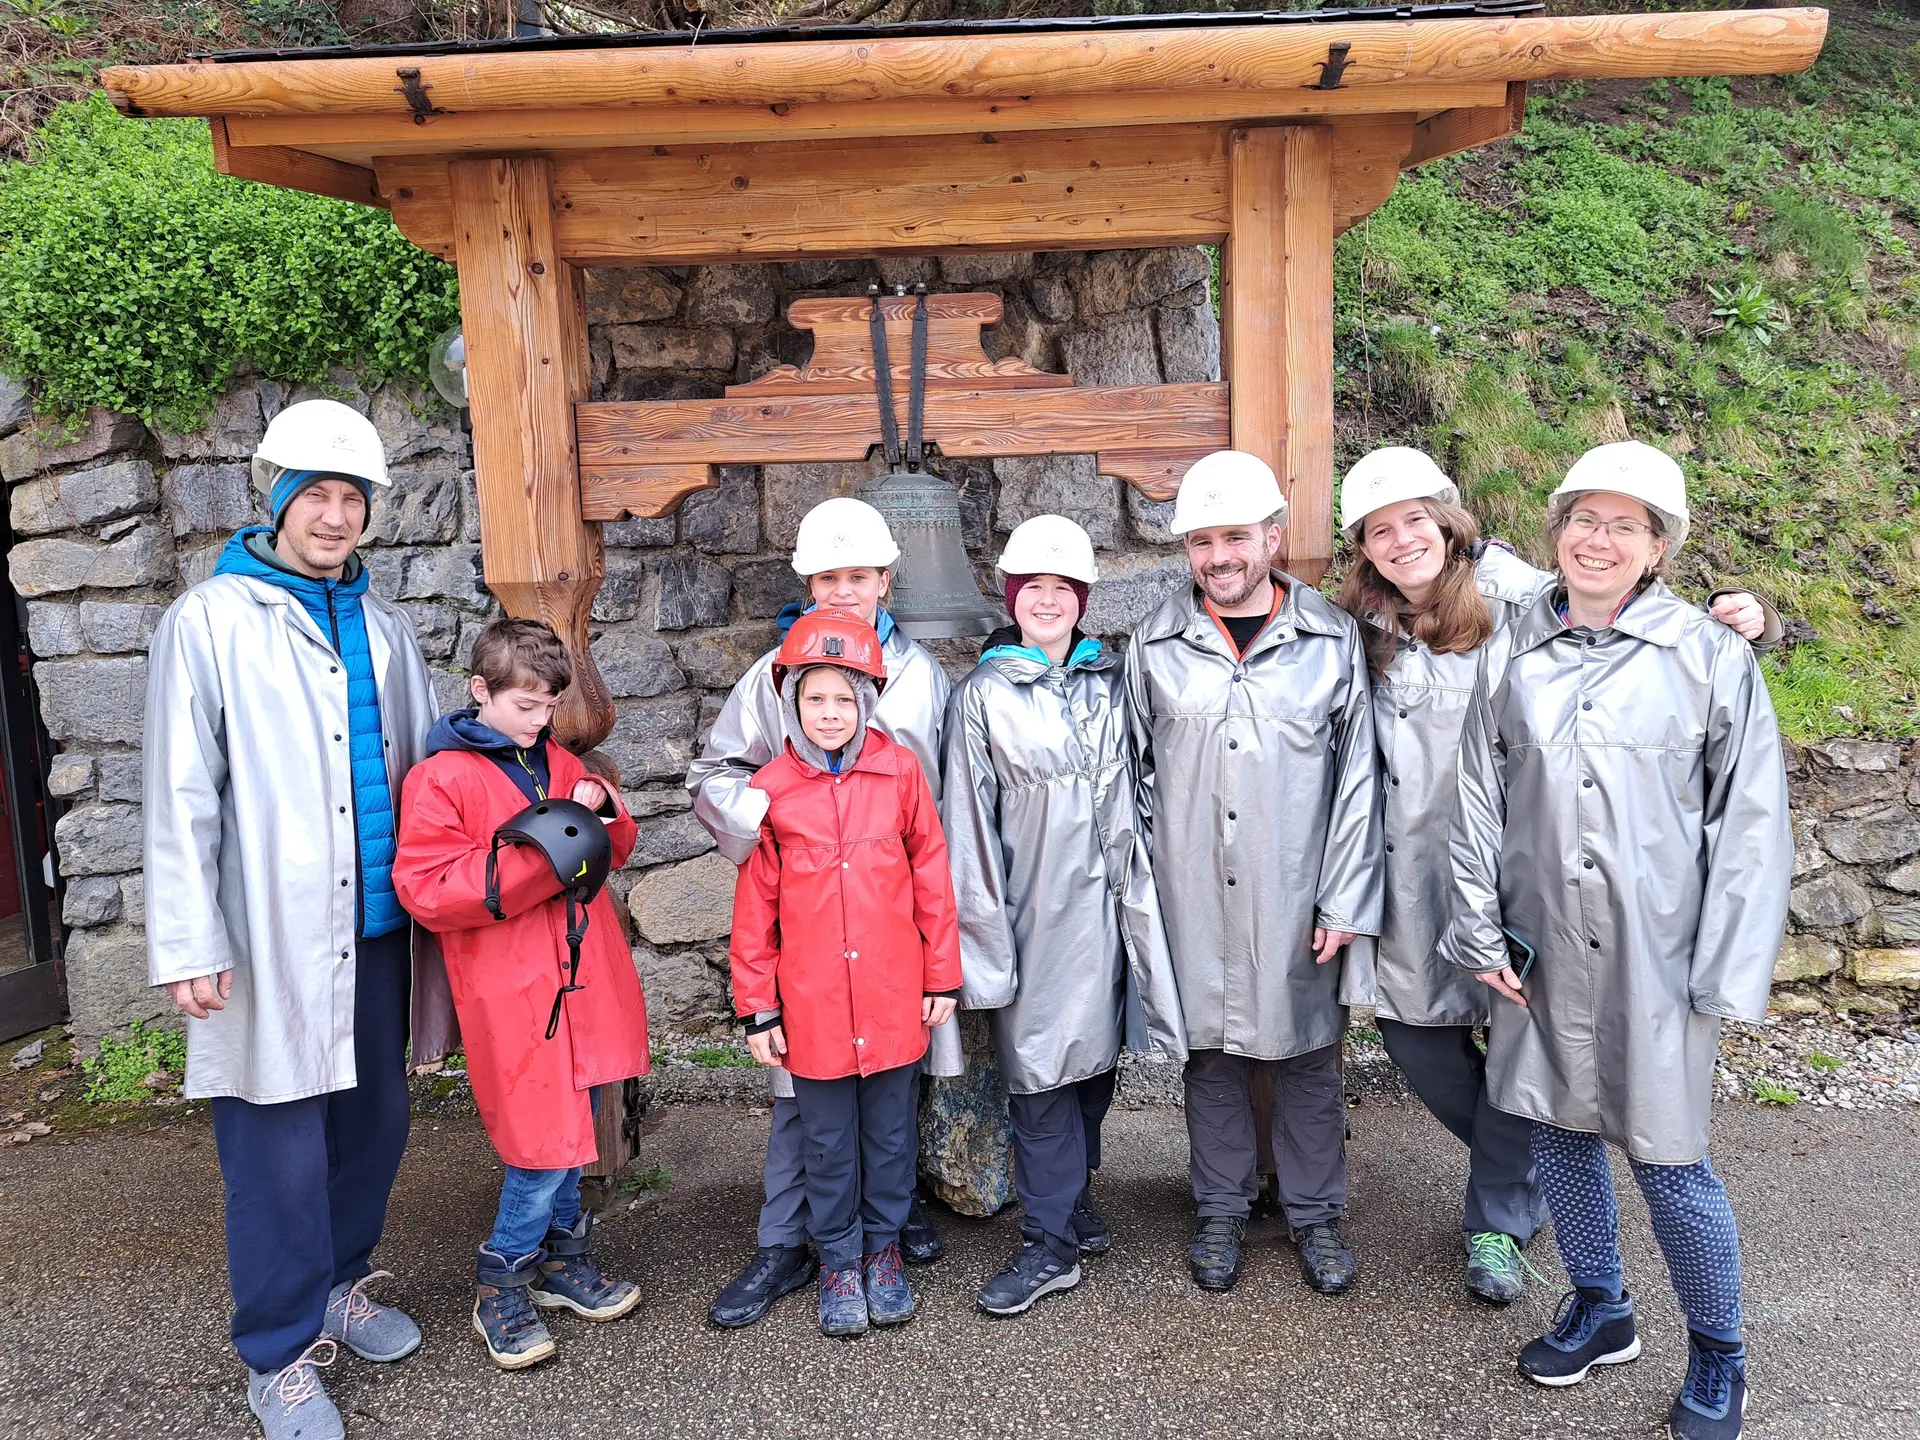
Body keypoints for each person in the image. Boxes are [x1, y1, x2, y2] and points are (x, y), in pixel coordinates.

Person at [1332, 446, 1776, 1304]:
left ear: (1449, 518)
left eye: (1415, 518)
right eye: (1380, 529)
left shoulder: (1523, 599)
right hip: (1422, 879)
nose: (1402, 539)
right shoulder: (1359, 624)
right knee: (1422, 1043)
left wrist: (1756, 622)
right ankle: (1536, 1177)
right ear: (1363, 547)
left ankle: (1498, 1221)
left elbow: (1640, 627)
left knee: (1530, 1061)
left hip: (1537, 877)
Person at [1442, 441, 1793, 1440]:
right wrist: (1479, 930)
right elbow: (1475, 796)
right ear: (1557, 532)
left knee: (1672, 1162)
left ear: (1658, 548)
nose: (1598, 540)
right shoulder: (1514, 646)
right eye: (1583, 519)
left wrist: (1724, 972)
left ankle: (1719, 1355)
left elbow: (1752, 822)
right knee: (1557, 1132)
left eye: (1625, 525)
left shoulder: (1707, 656)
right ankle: (1602, 1306)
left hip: (1661, 958)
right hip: (1542, 945)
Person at [143, 399, 447, 1440]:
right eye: (315, 494)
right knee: (275, 1148)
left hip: (376, 928)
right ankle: (275, 1354)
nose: (334, 514)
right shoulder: (209, 622)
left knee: (373, 1125)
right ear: (275, 501)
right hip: (265, 936)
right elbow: (180, 792)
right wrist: (188, 939)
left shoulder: (387, 625)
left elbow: (426, 763)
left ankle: (339, 1287)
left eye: (350, 496)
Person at [688, 495, 957, 1328]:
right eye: (828, 576)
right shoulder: (773, 681)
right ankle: (800, 1244)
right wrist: (770, 814)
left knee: (886, 1115)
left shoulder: (926, 682)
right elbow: (719, 785)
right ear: (807, 582)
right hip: (808, 949)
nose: (844, 589)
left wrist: (943, 959)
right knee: (812, 1115)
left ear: (886, 579)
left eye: (860, 575)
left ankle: (884, 1234)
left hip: (890, 944)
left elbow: (938, 834)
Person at [1124, 450, 1382, 1297]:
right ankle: (1222, 1208)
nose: (1219, 556)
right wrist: (1146, 893)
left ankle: (1316, 1217)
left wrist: (1346, 896)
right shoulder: (1155, 644)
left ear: (1272, 537)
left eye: (1236, 536)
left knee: (1309, 1054)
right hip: (1190, 887)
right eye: (1202, 541)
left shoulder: (1329, 639)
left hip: (1296, 888)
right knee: (1212, 1057)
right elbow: (1132, 777)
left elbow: (1357, 781)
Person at [940, 516, 1187, 1316]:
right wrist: (984, 940)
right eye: (1032, 588)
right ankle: (1048, 1245)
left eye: (1061, 588)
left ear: (1081, 600)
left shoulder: (1109, 684)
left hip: (1113, 912)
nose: (1047, 600)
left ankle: (1074, 1202)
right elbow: (967, 828)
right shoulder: (982, 697)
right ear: (1013, 599)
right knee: (1040, 1076)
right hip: (1034, 914)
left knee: (1094, 1065)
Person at [393, 618, 650, 1370]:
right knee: (541, 1144)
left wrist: (606, 811)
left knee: (572, 1124)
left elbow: (611, 850)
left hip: (579, 971)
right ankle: (501, 1278)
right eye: (526, 706)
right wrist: (552, 861)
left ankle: (562, 1261)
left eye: (549, 707)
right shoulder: (438, 778)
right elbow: (431, 888)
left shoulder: (558, 760)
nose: (542, 721)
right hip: (513, 983)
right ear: (480, 691)